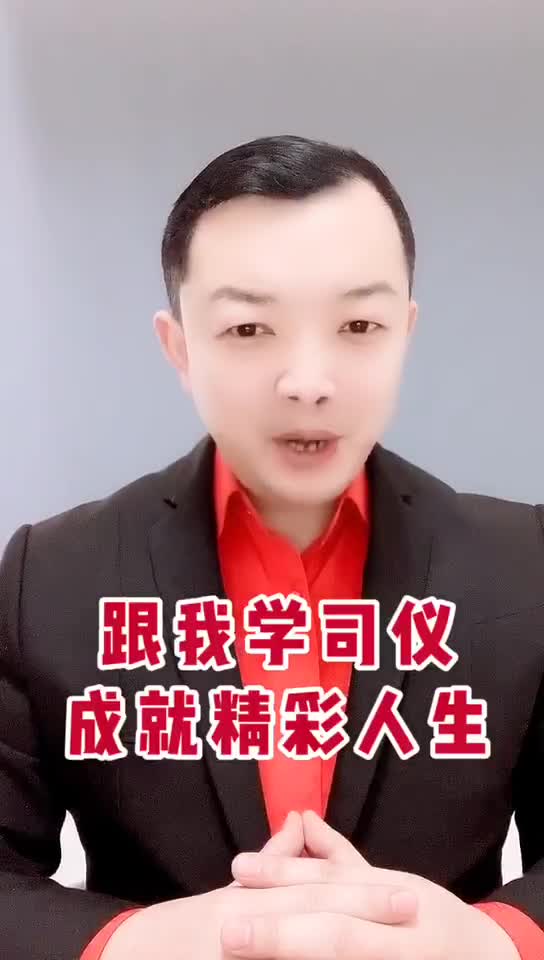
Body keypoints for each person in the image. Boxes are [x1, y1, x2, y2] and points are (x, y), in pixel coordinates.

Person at [1, 134, 543, 960]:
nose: (308, 382)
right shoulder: (50, 577)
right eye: (250, 328)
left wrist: (495, 940)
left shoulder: (525, 565)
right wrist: (130, 941)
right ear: (180, 347)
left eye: (358, 324)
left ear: (404, 332)